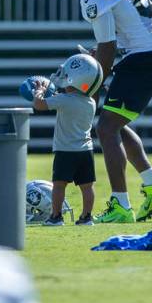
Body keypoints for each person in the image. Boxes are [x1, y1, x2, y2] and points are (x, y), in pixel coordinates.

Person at [42, 0, 152, 224]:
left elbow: (108, 46)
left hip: (144, 56)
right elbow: (116, 28)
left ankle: (121, 206)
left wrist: (89, 89)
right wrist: (103, 55)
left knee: (106, 127)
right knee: (115, 124)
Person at [31, 54, 100, 226]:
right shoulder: (91, 101)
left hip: (65, 150)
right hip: (86, 150)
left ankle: (56, 217)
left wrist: (38, 91)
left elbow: (39, 105)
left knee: (59, 185)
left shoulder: (64, 100)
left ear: (76, 80)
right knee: (87, 186)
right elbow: (69, 100)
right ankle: (86, 217)